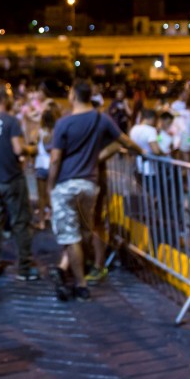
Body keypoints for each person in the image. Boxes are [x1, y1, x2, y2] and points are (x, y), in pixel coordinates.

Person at [48, 79, 139, 301]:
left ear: (72, 95)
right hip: (89, 185)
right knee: (82, 232)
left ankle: (80, 284)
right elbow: (125, 141)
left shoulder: (64, 123)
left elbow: (55, 159)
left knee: (70, 237)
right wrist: (142, 152)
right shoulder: (101, 118)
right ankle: (70, 269)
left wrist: (51, 186)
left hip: (66, 184)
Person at [0, 87, 37, 281]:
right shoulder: (11, 122)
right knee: (20, 222)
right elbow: (18, 149)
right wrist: (31, 149)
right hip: (11, 178)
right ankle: (25, 268)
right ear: (4, 99)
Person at [33, 105, 60, 230]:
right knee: (53, 195)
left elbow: (34, 148)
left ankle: (42, 222)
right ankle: (55, 221)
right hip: (52, 166)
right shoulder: (56, 133)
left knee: (41, 196)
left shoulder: (39, 133)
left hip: (41, 166)